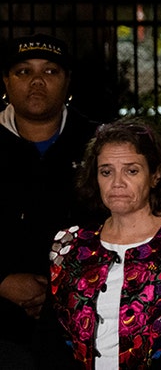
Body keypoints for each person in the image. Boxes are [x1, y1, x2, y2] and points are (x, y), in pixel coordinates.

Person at [46, 119, 161, 369]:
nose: (117, 182)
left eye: (131, 171)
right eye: (106, 171)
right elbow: (49, 336)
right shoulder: (69, 243)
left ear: (156, 175)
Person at [0, 33, 101, 367]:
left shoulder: (100, 146)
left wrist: (60, 291)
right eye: (23, 71)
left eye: (50, 71)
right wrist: (1, 282)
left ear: (68, 81)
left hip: (86, 325)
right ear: (6, 81)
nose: (37, 81)